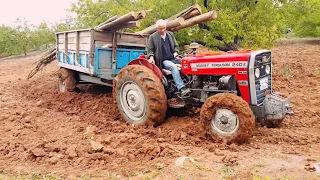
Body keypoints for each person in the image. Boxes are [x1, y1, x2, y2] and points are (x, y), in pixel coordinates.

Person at [146, 19, 191, 97]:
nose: (163, 30)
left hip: (173, 58)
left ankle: (190, 84)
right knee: (173, 67)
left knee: (187, 62)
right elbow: (150, 50)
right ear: (157, 29)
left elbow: (176, 46)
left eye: (164, 28)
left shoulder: (170, 34)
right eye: (160, 29)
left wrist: (175, 53)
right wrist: (151, 57)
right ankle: (182, 88)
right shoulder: (153, 37)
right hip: (163, 60)